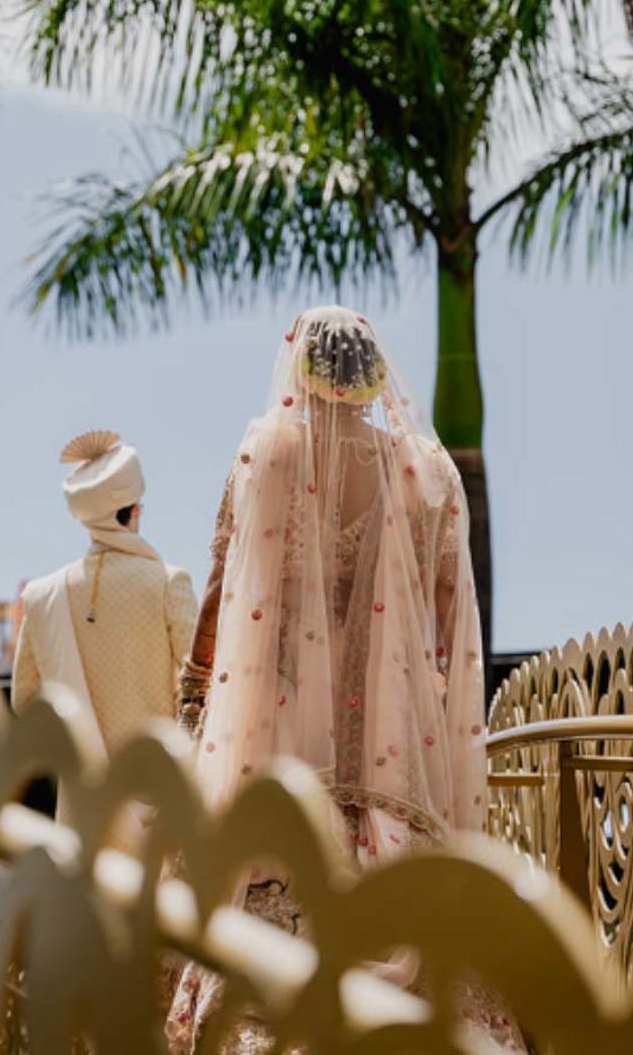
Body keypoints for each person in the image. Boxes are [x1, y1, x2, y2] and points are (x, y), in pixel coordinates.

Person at [169, 306, 519, 1053]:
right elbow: (452, 617)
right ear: (373, 375)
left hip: (282, 739)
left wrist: (198, 684)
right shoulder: (426, 472)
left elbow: (223, 587)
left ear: (300, 367)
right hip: (397, 747)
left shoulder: (267, 452)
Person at [12, 430, 199, 832]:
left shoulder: (42, 596)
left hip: (83, 806)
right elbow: (203, 687)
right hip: (159, 797)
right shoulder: (169, 582)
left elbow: (25, 703)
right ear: (133, 510)